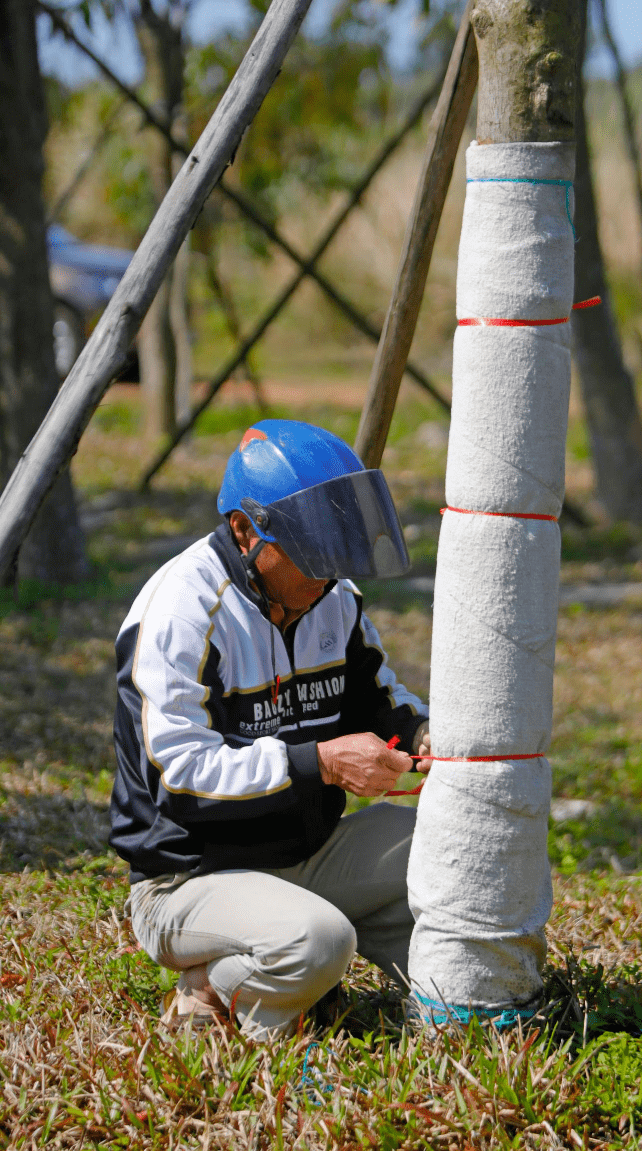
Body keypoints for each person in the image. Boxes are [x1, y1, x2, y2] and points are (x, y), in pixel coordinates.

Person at [109, 420, 430, 1040]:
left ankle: (452, 1001)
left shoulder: (330, 595)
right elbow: (179, 778)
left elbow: (378, 696)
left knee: (448, 847)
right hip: (189, 880)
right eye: (308, 549)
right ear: (244, 529)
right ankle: (210, 990)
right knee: (320, 940)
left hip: (303, 853)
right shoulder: (180, 610)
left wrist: (418, 734)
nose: (326, 569)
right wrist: (323, 764)